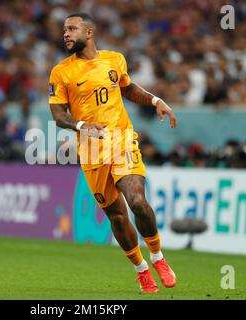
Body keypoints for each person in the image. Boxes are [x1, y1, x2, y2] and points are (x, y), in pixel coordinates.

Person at [48, 13, 177, 293]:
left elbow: (127, 87)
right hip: (91, 151)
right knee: (117, 217)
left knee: (137, 202)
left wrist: (156, 100)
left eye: (72, 28)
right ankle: (141, 270)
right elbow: (58, 115)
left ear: (90, 32)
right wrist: (82, 125)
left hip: (121, 140)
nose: (66, 34)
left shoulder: (115, 59)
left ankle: (158, 257)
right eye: (64, 30)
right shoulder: (61, 72)